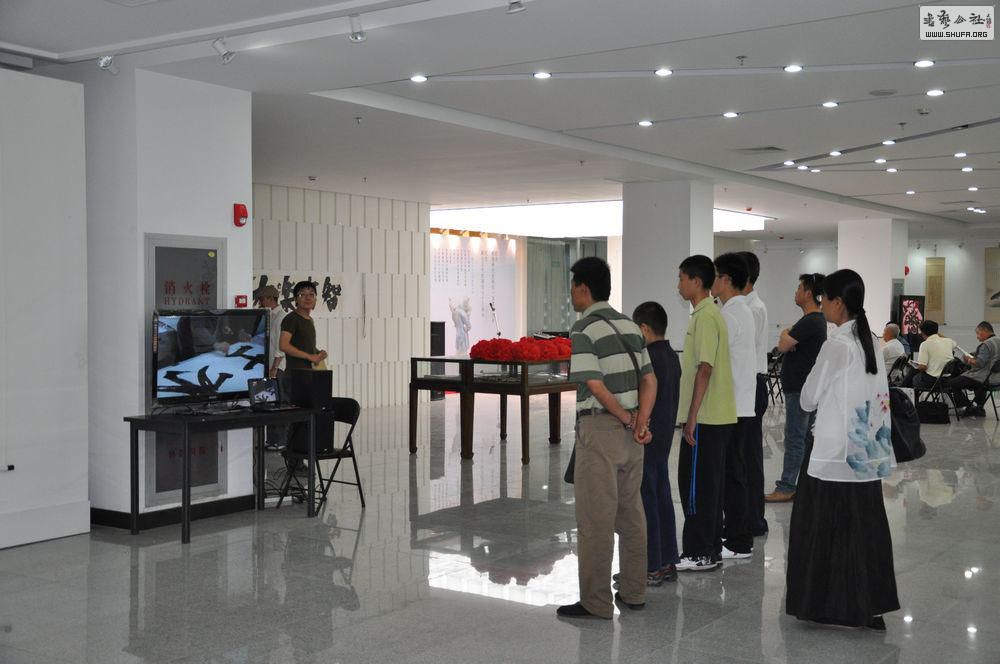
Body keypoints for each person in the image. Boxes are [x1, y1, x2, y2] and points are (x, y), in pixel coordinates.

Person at [786, 268, 899, 631]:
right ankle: (867, 605)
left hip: (834, 452)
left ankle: (825, 605)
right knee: (863, 529)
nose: (822, 306)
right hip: (865, 450)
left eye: (824, 300)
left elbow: (808, 398)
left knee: (822, 528)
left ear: (837, 303)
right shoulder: (871, 341)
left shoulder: (837, 345)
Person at [557, 257, 656, 619]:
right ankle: (634, 591)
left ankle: (595, 602)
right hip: (632, 437)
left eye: (572, 288)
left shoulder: (584, 328)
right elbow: (650, 380)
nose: (571, 294)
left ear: (584, 288)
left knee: (595, 520)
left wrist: (625, 417)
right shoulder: (629, 325)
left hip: (600, 431)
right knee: (631, 515)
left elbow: (594, 384)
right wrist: (640, 421)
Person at [675, 255, 737, 572]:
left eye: (682, 278)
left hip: (707, 418)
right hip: (715, 417)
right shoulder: (708, 313)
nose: (679, 285)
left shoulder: (706, 317)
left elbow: (705, 368)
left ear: (696, 282)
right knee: (708, 486)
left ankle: (699, 552)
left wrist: (692, 417)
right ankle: (710, 549)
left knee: (695, 487)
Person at [632, 301, 681, 585]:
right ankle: (667, 560)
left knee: (646, 501)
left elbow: (642, 399)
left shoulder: (648, 357)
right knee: (662, 496)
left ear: (643, 329)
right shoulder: (672, 355)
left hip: (647, 437)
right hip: (664, 437)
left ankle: (651, 565)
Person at [765, 273, 826, 503]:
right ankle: (802, 486)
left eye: (799, 288)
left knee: (795, 438)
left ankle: (787, 486)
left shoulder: (811, 321)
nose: (796, 292)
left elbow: (782, 344)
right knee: (803, 438)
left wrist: (786, 334)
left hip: (800, 389)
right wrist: (789, 336)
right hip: (801, 388)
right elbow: (787, 343)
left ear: (808, 293)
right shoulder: (811, 321)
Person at [712, 253, 757, 560]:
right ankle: (737, 535)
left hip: (731, 407)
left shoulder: (730, 315)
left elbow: (714, 360)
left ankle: (738, 540)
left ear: (726, 280)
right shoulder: (740, 310)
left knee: (731, 474)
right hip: (740, 404)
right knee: (735, 472)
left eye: (715, 276)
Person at [738, 251, 769, 536]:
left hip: (752, 383)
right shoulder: (744, 307)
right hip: (748, 383)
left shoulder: (753, 309)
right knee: (743, 454)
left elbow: (744, 353)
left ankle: (754, 518)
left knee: (749, 455)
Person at [948, 321, 1000, 417]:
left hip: (984, 378)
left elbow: (979, 363)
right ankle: (980, 407)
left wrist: (969, 359)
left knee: (952, 383)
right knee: (979, 385)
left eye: (978, 333)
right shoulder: (997, 340)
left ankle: (969, 407)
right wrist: (975, 355)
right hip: (996, 378)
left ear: (984, 331)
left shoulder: (986, 344)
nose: (977, 337)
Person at [279, 281, 328, 372]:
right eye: (302, 294)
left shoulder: (309, 320)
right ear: (296, 299)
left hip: (309, 372)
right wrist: (309, 356)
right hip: (296, 374)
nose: (308, 298)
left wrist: (318, 353)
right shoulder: (291, 319)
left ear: (315, 299)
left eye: (311, 294)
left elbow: (305, 347)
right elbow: (283, 345)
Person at [906, 320, 955, 390]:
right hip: (947, 379)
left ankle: (902, 392)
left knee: (914, 377)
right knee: (915, 372)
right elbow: (954, 343)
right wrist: (936, 334)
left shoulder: (925, 344)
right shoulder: (949, 341)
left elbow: (922, 367)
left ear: (922, 332)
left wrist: (918, 366)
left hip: (933, 381)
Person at [256, 285, 286, 379]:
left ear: (271, 298)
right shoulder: (271, 315)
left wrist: (274, 368)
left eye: (262, 299)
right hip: (270, 366)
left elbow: (282, 347)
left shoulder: (281, 318)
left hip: (279, 368)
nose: (260, 302)